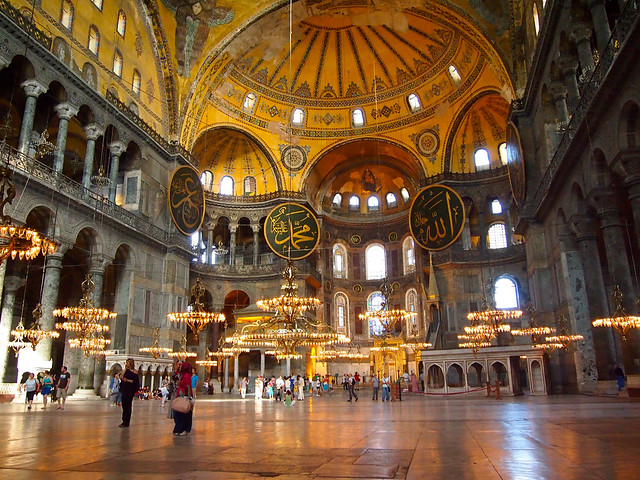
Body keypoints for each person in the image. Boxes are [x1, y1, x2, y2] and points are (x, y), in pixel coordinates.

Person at [173, 361, 193, 436]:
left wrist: (180, 383)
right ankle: (179, 428)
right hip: (181, 395)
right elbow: (175, 375)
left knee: (183, 413)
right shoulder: (182, 374)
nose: (180, 366)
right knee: (179, 413)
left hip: (185, 396)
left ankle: (184, 429)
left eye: (181, 366)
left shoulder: (186, 375)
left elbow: (187, 386)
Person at [119, 358, 139, 428]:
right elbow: (121, 377)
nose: (126, 364)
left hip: (130, 390)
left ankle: (127, 422)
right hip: (124, 389)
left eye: (127, 363)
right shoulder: (126, 371)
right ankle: (124, 421)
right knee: (124, 406)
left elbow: (135, 381)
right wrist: (125, 370)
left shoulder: (135, 372)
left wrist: (127, 380)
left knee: (128, 406)